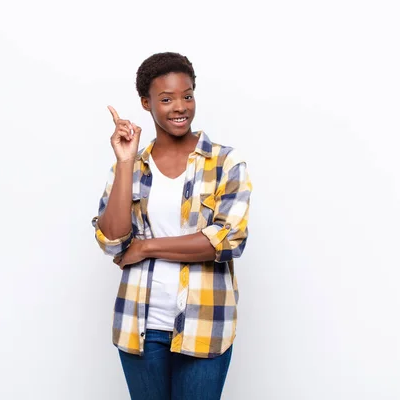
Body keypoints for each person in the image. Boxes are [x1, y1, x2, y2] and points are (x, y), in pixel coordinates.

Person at [91, 52, 252, 400]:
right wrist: (124, 162)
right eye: (166, 99)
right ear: (147, 103)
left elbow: (225, 241)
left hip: (205, 323)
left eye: (187, 95)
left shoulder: (225, 162)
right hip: (140, 326)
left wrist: (146, 247)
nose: (180, 106)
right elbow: (114, 241)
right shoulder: (133, 167)